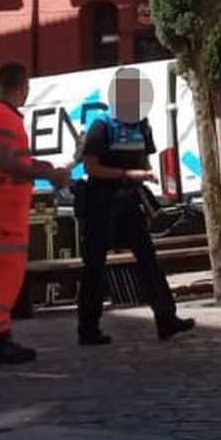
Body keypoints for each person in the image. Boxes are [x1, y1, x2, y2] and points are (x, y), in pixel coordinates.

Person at [77, 70, 196, 344]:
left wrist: (145, 174)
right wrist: (128, 175)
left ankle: (166, 319)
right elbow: (91, 168)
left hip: (129, 202)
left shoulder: (141, 125)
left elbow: (144, 160)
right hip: (101, 201)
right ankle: (88, 328)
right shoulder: (101, 126)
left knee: (148, 259)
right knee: (94, 264)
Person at [0, 63, 70, 365]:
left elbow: (16, 159)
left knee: (4, 270)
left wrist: (44, 169)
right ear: (22, 86)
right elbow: (7, 160)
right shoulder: (2, 116)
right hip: (4, 205)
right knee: (5, 271)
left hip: (2, 203)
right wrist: (48, 175)